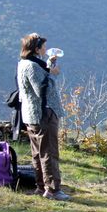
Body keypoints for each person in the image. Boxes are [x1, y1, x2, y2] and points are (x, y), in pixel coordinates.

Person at [16, 33, 69, 201]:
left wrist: (50, 65)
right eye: (43, 47)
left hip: (31, 114)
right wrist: (52, 74)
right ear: (37, 49)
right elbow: (42, 89)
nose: (45, 49)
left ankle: (41, 186)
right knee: (49, 152)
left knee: (37, 152)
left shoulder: (25, 64)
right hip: (43, 113)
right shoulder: (31, 67)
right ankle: (53, 190)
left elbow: (42, 75)